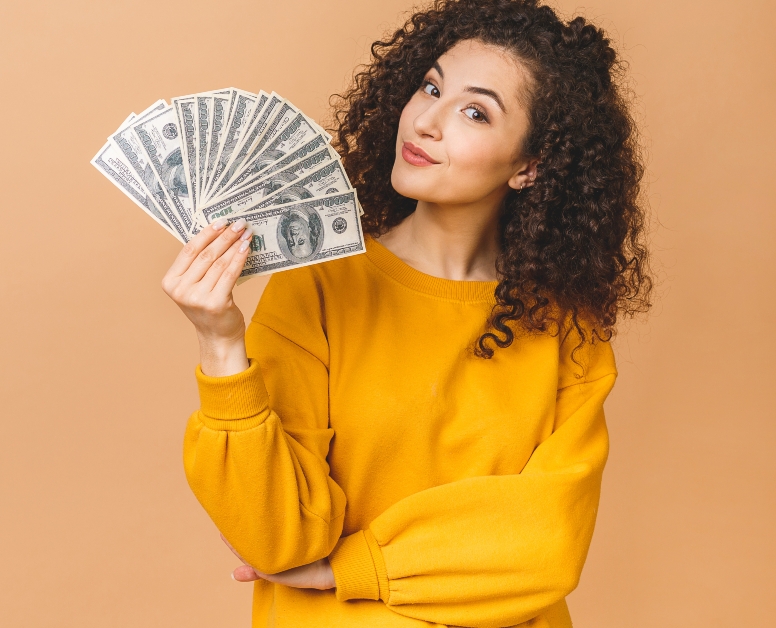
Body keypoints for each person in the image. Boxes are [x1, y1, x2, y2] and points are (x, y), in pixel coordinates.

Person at [159, 0, 650, 626]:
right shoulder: (321, 284)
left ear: (530, 166)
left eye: (475, 111)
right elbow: (277, 538)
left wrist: (351, 568)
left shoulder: (567, 330)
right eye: (431, 87)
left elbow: (548, 542)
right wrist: (221, 344)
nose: (425, 122)